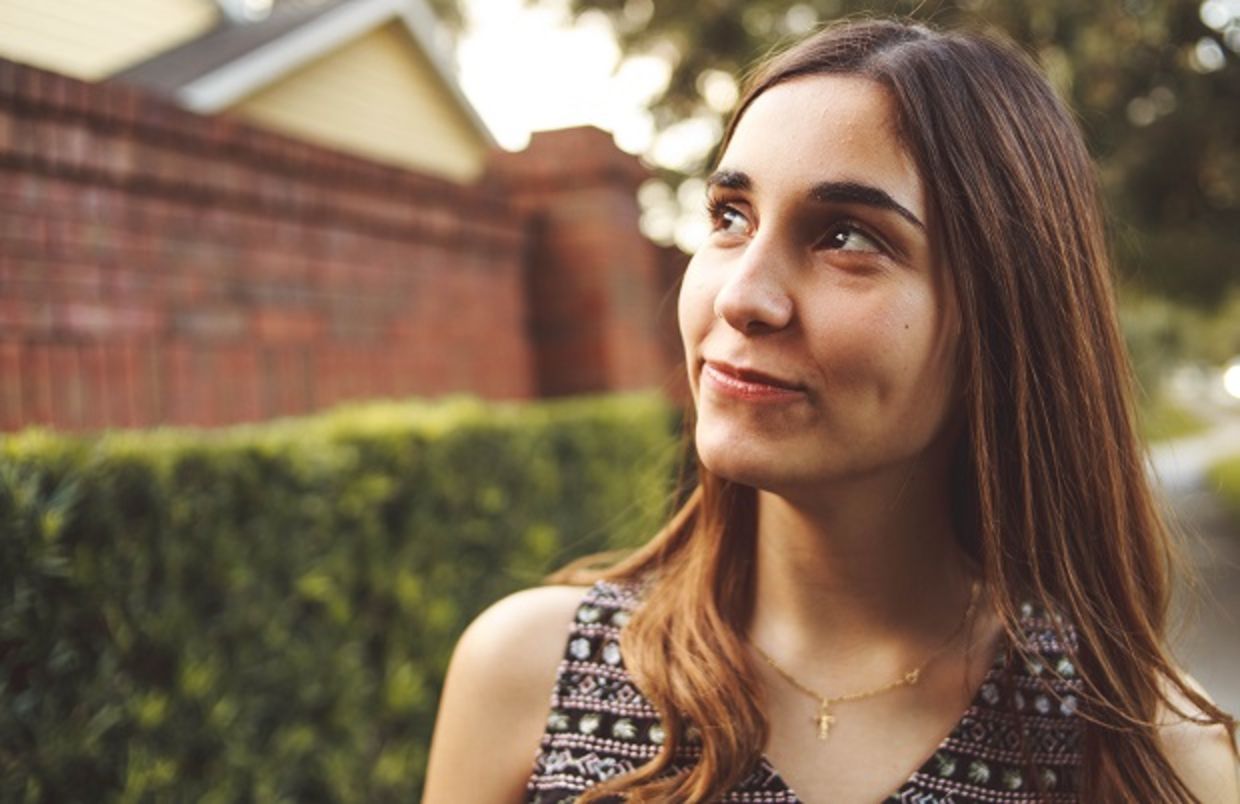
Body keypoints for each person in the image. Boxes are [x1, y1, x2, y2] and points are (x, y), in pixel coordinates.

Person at [423, 18, 1239, 803]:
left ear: (1004, 319)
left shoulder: (1148, 754)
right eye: (730, 217)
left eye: (846, 237)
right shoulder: (529, 672)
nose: (742, 297)